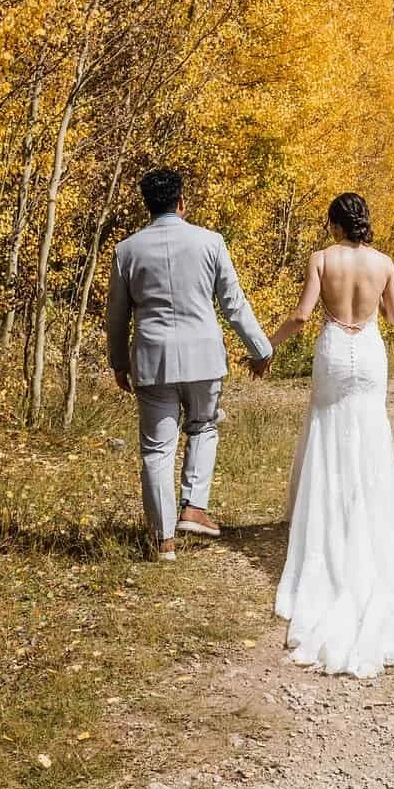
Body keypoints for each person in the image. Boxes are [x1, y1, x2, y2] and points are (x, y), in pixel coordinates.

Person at [267, 192, 394, 676]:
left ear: (335, 224)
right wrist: (375, 300)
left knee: (328, 435)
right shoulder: (384, 263)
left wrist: (267, 346)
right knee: (370, 436)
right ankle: (369, 524)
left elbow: (301, 317)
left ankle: (328, 529)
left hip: (332, 352)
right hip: (368, 354)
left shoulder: (321, 259)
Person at [105, 168, 272, 562]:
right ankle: (194, 507)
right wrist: (260, 348)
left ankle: (163, 542)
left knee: (156, 450)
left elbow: (117, 315)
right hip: (204, 357)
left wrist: (118, 362)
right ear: (181, 202)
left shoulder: (127, 250)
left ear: (147, 205)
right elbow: (233, 304)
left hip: (153, 359)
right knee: (203, 426)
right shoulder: (210, 242)